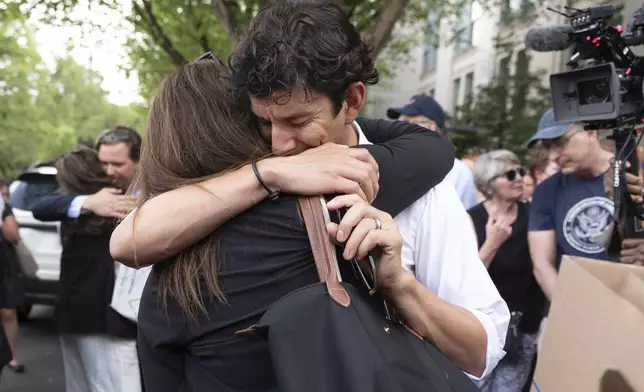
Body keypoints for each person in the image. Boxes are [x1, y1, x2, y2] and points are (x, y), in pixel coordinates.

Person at [113, 0, 508, 381]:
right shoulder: (247, 178)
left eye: (298, 120)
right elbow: (130, 240)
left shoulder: (423, 192)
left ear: (351, 101)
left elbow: (480, 351)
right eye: (265, 122)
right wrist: (268, 173)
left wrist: (401, 288)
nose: (280, 144)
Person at [468, 150, 545, 392]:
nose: (520, 178)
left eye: (521, 171)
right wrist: (492, 243)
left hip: (523, 329)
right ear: (489, 185)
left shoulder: (534, 215)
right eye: (510, 174)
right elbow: (466, 279)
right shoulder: (470, 219)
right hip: (482, 331)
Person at [387, 94, 479, 210]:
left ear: (430, 126)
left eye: (404, 123)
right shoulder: (392, 163)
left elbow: (466, 220)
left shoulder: (458, 172)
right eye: (397, 123)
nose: (397, 128)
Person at [0, 195, 24, 373]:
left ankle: (11, 355)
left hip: (3, 265)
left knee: (8, 312)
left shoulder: (3, 206)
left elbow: (14, 236)